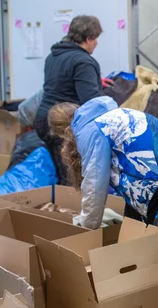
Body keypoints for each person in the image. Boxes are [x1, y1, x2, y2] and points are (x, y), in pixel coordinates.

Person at [48, 96, 158, 303]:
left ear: (64, 131)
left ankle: (134, 295)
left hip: (153, 171)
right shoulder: (109, 112)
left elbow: (95, 182)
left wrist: (87, 225)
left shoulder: (89, 131)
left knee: (133, 231)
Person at [34, 15, 109, 185]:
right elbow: (92, 101)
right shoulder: (83, 61)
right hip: (64, 124)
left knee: (62, 173)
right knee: (74, 178)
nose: (96, 42)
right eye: (95, 38)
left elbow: (63, 82)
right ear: (88, 38)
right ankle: (70, 210)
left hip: (45, 119)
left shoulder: (53, 56)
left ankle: (60, 207)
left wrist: (94, 81)